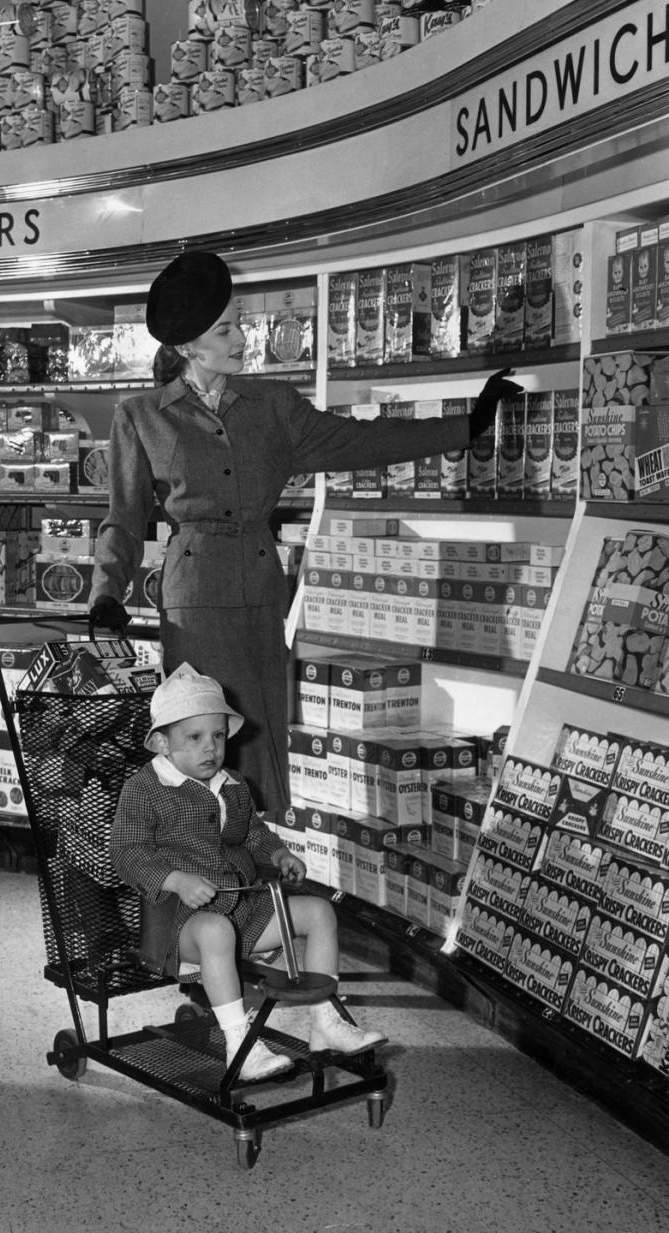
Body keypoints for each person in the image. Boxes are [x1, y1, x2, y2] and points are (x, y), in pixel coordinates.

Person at [89, 249, 522, 817]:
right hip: (194, 600)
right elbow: (123, 516)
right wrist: (104, 593)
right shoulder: (141, 415)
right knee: (200, 736)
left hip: (265, 589)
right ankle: (198, 869)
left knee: (259, 726)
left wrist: (467, 424)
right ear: (189, 346)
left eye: (240, 322)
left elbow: (361, 441)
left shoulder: (274, 407)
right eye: (226, 329)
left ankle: (260, 870)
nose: (243, 337)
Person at [110, 663, 387, 1082]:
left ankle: (325, 1021)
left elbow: (251, 833)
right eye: (195, 738)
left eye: (218, 736)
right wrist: (176, 880)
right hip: (179, 925)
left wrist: (277, 854)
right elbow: (126, 852)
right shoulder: (145, 789)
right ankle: (241, 1045)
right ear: (162, 744)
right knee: (217, 932)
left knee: (318, 913)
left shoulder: (232, 784)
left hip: (244, 909)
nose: (211, 749)